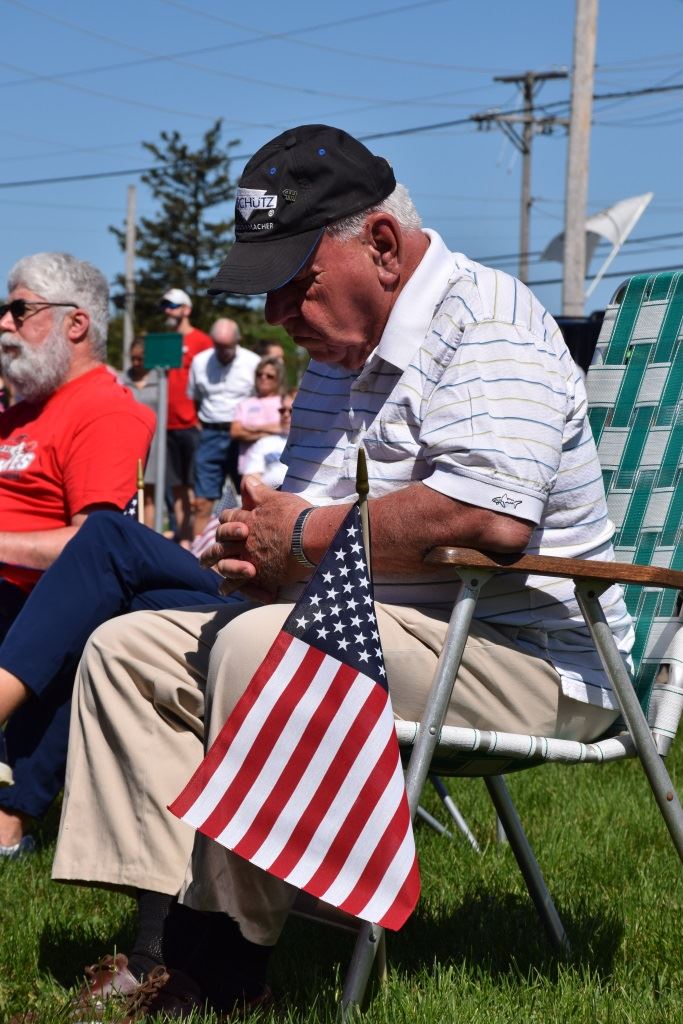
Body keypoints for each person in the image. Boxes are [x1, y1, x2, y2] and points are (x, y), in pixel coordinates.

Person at [53, 125, 633, 1019]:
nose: (278, 312)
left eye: (296, 281)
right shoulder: (341, 354)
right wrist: (257, 550)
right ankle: (160, 938)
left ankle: (228, 964)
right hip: (392, 630)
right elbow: (305, 521)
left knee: (269, 644)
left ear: (383, 247)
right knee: (128, 646)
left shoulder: (487, 322)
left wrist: (302, 539)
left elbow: (491, 519)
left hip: (524, 653)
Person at [0, 251, 155, 855]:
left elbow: (93, 550)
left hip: (35, 602)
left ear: (76, 323)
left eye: (20, 310)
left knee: (85, 633)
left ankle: (12, 817)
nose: (5, 325)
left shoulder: (104, 410)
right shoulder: (16, 413)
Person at [188, 318, 259, 537]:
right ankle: (196, 555)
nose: (223, 352)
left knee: (249, 498)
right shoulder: (200, 362)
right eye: (218, 346)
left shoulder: (253, 362)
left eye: (227, 347)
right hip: (210, 433)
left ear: (237, 341)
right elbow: (195, 399)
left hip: (243, 437)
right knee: (201, 501)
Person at [161, 288, 212, 543]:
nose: (167, 310)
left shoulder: (202, 341)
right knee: (176, 486)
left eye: (172, 305)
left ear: (186, 309)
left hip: (191, 423)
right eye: (164, 306)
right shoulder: (165, 342)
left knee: (194, 486)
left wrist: (201, 417)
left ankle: (196, 538)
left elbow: (211, 381)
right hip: (166, 424)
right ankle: (182, 537)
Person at [119, 337, 161, 528]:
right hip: (128, 441)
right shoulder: (122, 380)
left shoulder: (160, 378)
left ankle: (149, 534)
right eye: (133, 358)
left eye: (140, 358)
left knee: (149, 492)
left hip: (155, 442)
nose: (136, 363)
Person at [230, 355, 286, 478]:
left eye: (269, 376)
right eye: (259, 374)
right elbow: (235, 432)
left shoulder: (285, 402)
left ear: (278, 379)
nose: (263, 378)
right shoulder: (245, 404)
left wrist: (253, 428)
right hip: (249, 469)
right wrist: (272, 432)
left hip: (277, 467)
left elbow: (287, 427)